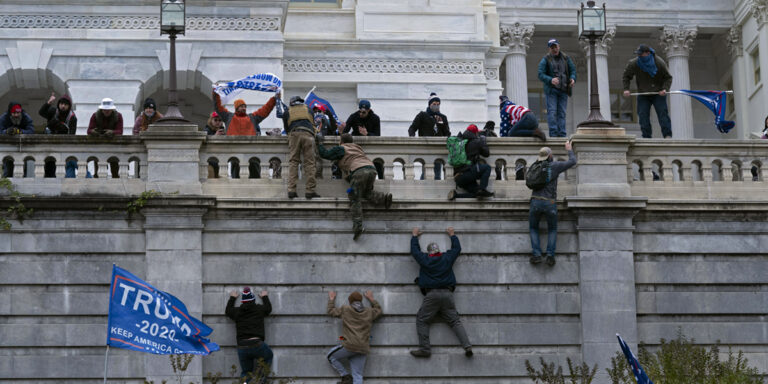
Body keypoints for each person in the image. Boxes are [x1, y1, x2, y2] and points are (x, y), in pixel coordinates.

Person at [409, 226, 472, 358]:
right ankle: (467, 346)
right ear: (438, 251)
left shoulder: (425, 259)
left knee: (422, 320)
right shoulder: (446, 258)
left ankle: (425, 349)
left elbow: (415, 251)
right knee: (455, 321)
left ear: (429, 253)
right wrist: (452, 235)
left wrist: (414, 236)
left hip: (432, 295)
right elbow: (457, 249)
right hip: (448, 294)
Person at [317, 133, 393, 239]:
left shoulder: (342, 148)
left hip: (359, 171)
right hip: (371, 169)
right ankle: (384, 199)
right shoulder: (358, 148)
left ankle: (358, 226)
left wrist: (320, 143)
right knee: (365, 192)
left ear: (341, 141)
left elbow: (325, 154)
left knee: (354, 197)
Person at [529, 141, 577, 267]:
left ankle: (537, 255)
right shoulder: (555, 166)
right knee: (552, 229)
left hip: (535, 201)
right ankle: (550, 256)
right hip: (550, 202)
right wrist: (569, 149)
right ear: (550, 156)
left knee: (533, 228)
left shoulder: (535, 166)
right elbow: (572, 161)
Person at [326, 290, 383, 384]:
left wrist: (332, 299)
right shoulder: (369, 311)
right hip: (363, 348)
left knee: (331, 356)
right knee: (358, 375)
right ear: (361, 301)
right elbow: (379, 310)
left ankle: (345, 376)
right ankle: (349, 378)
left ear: (350, 301)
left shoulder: (345, 309)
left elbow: (331, 311)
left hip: (349, 346)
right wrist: (371, 298)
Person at [622, 44, 673, 138]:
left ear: (648, 53)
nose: (639, 56)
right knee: (642, 115)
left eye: (641, 54)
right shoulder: (634, 63)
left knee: (662, 114)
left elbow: (668, 77)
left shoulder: (659, 62)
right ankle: (646, 136)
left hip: (658, 93)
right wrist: (626, 89)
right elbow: (626, 76)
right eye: (638, 54)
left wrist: (665, 89)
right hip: (643, 93)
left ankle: (667, 135)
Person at [226, 286, 273, 384]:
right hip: (257, 344)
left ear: (243, 301)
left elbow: (228, 311)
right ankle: (260, 380)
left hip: (242, 346)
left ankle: (245, 382)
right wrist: (264, 297)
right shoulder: (259, 309)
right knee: (268, 356)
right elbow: (268, 309)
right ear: (253, 300)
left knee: (246, 373)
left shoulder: (237, 311)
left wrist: (232, 298)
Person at [537, 39, 577, 138]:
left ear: (559, 46)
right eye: (552, 47)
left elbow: (573, 70)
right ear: (549, 48)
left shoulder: (566, 58)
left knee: (562, 113)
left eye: (556, 46)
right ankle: (553, 134)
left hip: (563, 90)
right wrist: (550, 80)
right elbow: (540, 74)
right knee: (552, 112)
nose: (554, 49)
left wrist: (572, 78)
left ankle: (562, 135)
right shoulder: (546, 59)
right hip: (552, 90)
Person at [281, 95, 319, 199]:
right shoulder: (309, 109)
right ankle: (310, 191)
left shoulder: (287, 111)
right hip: (308, 134)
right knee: (310, 163)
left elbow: (286, 128)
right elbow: (313, 123)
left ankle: (291, 190)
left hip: (294, 134)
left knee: (293, 162)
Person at [447, 125, 494, 200]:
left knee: (476, 193)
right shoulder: (476, 142)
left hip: (458, 178)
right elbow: (486, 153)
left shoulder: (460, 142)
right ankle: (482, 189)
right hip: (468, 173)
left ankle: (456, 195)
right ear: (475, 133)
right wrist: (483, 141)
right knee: (487, 168)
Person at [39, 92, 78, 177]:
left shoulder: (72, 118)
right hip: (50, 144)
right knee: (49, 167)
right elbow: (41, 112)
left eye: (65, 104)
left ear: (69, 106)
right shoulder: (53, 111)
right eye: (61, 103)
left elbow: (72, 135)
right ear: (59, 104)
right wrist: (48, 103)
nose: (63, 106)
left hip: (63, 146)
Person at [212, 90, 279, 136]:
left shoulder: (253, 118)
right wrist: (216, 93)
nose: (244, 108)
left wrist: (274, 99)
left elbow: (265, 110)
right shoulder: (228, 117)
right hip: (232, 149)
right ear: (236, 108)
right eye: (241, 106)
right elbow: (218, 107)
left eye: (244, 106)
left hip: (250, 149)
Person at [205, 112, 225, 178]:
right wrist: (215, 136)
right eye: (215, 120)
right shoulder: (207, 130)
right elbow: (205, 142)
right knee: (211, 180)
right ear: (211, 121)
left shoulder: (223, 131)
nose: (218, 122)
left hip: (220, 162)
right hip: (209, 162)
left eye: (219, 120)